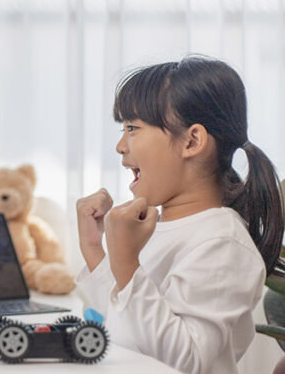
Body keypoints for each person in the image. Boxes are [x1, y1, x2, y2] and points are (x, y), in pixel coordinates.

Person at [75, 56, 283, 374]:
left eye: (132, 128)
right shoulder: (160, 228)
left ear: (192, 140)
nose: (120, 145)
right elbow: (127, 327)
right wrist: (95, 250)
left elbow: (186, 360)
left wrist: (127, 261)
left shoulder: (222, 242)